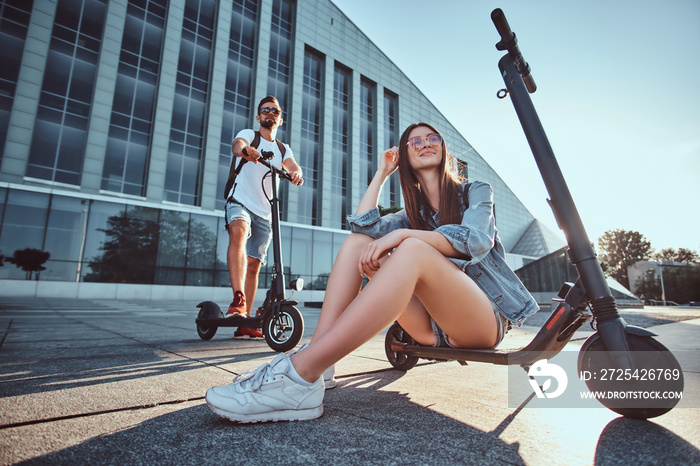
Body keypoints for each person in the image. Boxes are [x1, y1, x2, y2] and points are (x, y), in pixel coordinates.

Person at [206, 122, 538, 422]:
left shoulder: (476, 191)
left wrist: (404, 236)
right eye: (414, 141)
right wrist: (382, 173)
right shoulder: (413, 212)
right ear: (404, 157)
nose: (424, 143)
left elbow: (476, 241)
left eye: (432, 137)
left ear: (442, 147)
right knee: (356, 244)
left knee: (410, 248)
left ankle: (299, 373)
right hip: (430, 328)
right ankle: (319, 365)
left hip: (481, 321)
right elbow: (362, 226)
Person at [224, 96, 303, 339]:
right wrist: (246, 151)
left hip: (266, 212)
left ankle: (246, 320)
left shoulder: (282, 148)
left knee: (255, 264)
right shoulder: (250, 133)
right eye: (265, 110)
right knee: (238, 230)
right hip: (241, 201)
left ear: (280, 119)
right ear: (258, 117)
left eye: (274, 111)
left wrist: (296, 173)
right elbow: (237, 145)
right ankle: (238, 300)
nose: (269, 113)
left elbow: (292, 165)